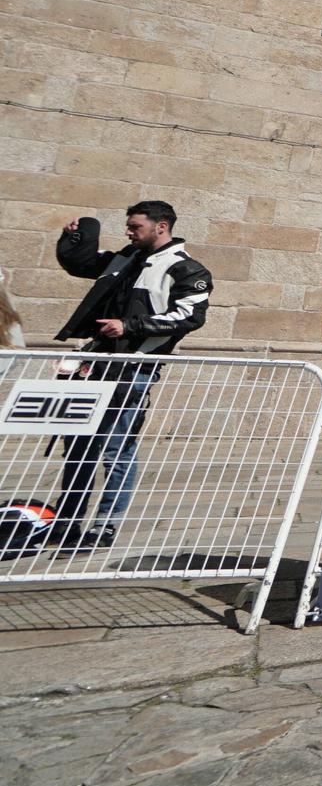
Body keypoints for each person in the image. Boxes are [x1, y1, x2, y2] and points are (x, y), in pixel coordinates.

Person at [51, 203, 213, 552]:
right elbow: (81, 263)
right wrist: (76, 237)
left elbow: (189, 317)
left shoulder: (186, 269)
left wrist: (129, 326)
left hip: (135, 369)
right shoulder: (125, 257)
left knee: (115, 447)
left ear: (161, 226)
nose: (128, 232)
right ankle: (67, 523)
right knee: (77, 445)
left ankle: (104, 526)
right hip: (94, 365)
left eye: (135, 226)